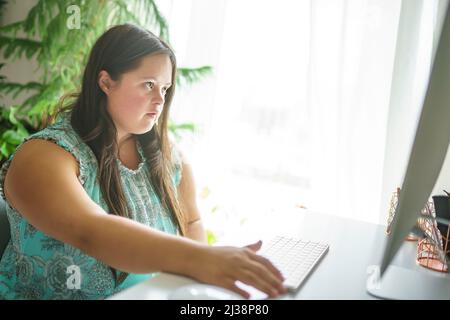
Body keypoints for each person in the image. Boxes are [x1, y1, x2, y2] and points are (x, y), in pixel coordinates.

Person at [0, 24, 286, 300]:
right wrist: (203, 259)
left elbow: (192, 222)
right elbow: (91, 232)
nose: (159, 100)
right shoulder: (43, 156)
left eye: (164, 88)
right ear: (105, 82)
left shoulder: (169, 159)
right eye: (148, 85)